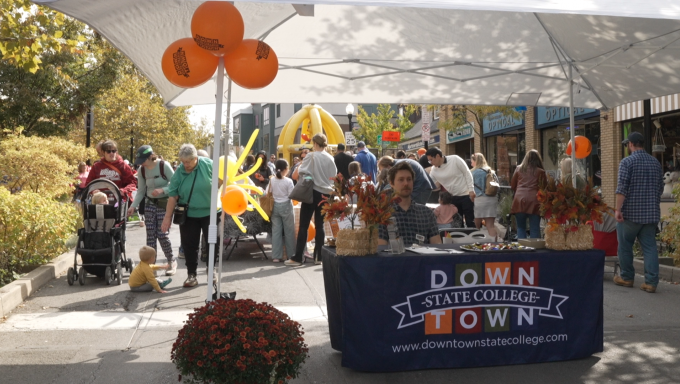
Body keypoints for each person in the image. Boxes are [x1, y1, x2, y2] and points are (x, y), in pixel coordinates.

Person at [161, 144, 221, 288]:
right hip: (189, 215)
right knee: (189, 245)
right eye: (183, 161)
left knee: (213, 241)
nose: (185, 165)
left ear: (196, 158)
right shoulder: (179, 172)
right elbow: (172, 196)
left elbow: (223, 182)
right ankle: (191, 274)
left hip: (210, 213)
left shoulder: (208, 165)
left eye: (188, 162)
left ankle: (211, 269)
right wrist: (167, 218)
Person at [614, 132, 664, 293]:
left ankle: (627, 277)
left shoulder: (627, 162)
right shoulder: (655, 163)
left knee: (625, 246)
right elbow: (660, 188)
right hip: (650, 214)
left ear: (631, 144)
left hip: (630, 214)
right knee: (650, 248)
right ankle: (651, 282)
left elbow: (622, 189)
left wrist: (618, 210)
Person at [285, 134, 337, 266]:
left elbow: (303, 172)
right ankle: (319, 256)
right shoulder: (330, 158)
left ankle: (298, 257)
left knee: (304, 225)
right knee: (320, 226)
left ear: (315, 143)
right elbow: (333, 176)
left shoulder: (311, 156)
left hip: (311, 192)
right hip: (326, 194)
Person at [126, 145, 177, 276]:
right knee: (150, 237)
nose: (141, 163)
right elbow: (141, 191)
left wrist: (163, 190)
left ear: (150, 157)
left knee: (162, 234)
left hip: (164, 204)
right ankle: (151, 266)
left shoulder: (163, 166)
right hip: (149, 204)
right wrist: (133, 206)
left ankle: (171, 261)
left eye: (143, 160)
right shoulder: (142, 170)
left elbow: (176, 184)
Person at [378, 161, 441, 246]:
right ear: (391, 183)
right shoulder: (383, 214)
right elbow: (381, 249)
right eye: (401, 180)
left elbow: (437, 246)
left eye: (409, 179)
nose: (406, 183)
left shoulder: (427, 213)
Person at [426, 148, 475, 227]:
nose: (430, 163)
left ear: (438, 156)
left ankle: (472, 238)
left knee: (470, 221)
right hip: (453, 197)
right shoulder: (434, 170)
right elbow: (429, 184)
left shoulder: (455, 159)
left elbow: (467, 173)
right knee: (457, 223)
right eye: (429, 161)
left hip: (466, 195)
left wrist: (471, 190)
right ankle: (460, 238)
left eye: (431, 160)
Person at [511, 150, 546, 239]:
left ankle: (522, 249)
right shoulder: (540, 171)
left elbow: (513, 185)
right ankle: (535, 250)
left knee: (520, 227)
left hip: (519, 200)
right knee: (534, 228)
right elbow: (544, 188)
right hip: (535, 201)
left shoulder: (519, 168)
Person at [266, 159, 296, 263]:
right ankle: (291, 255)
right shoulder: (288, 181)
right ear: (286, 169)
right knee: (289, 231)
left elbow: (267, 193)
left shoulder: (272, 180)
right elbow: (292, 195)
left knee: (276, 232)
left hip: (275, 206)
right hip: (286, 206)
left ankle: (276, 256)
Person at [471, 153, 498, 240]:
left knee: (476, 227)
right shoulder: (492, 172)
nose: (471, 164)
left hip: (479, 200)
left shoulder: (473, 172)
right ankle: (495, 245)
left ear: (475, 161)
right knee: (490, 226)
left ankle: (476, 244)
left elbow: (470, 188)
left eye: (472, 161)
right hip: (492, 199)